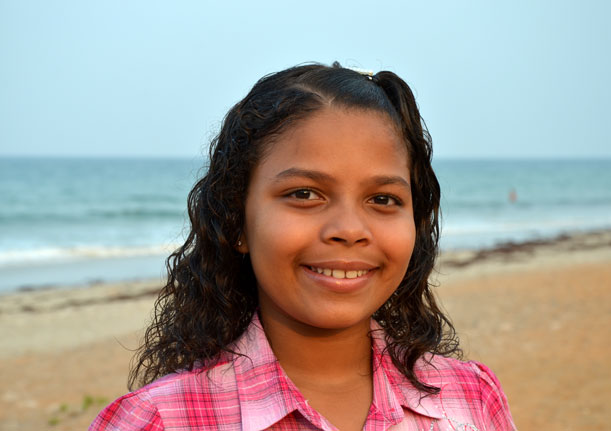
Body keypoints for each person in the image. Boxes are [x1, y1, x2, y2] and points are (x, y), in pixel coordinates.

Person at [89, 62, 516, 431]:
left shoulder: (470, 398)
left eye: (383, 199)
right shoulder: (157, 420)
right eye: (304, 194)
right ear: (237, 221)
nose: (349, 230)